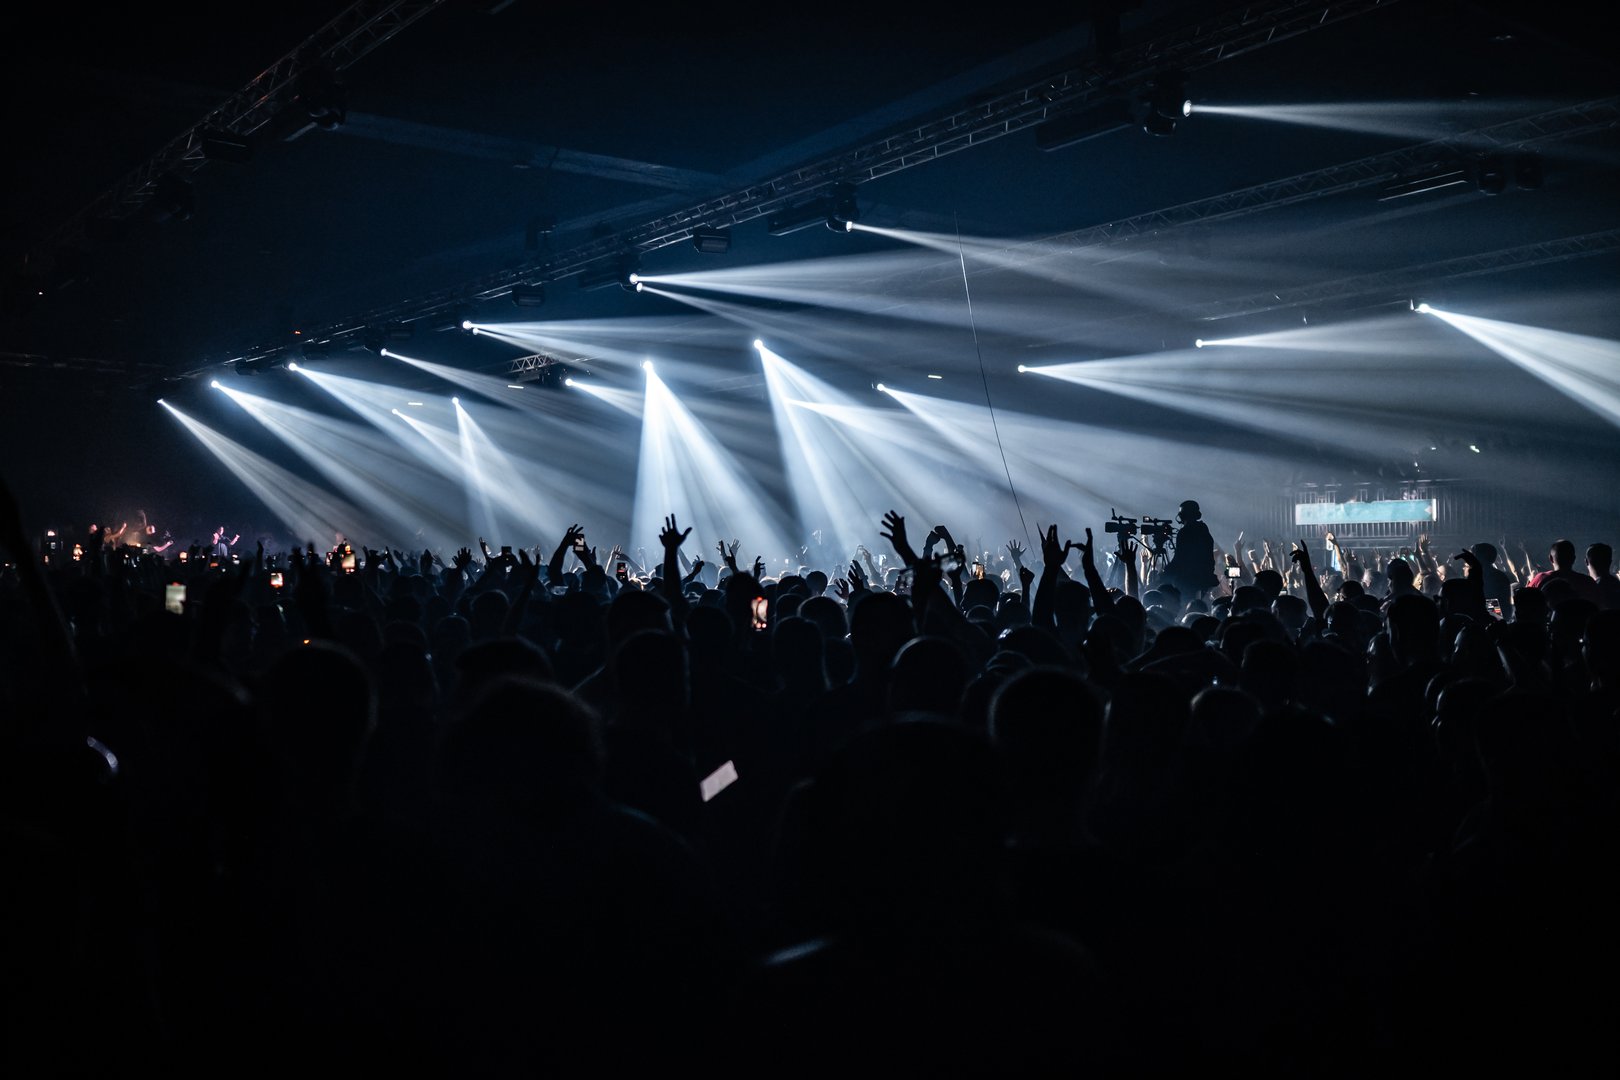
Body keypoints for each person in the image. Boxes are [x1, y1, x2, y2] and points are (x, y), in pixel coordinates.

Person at [1159, 500, 1217, 600]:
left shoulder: (1184, 532)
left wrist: (1164, 573)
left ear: (1183, 515)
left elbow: (1179, 558)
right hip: (1204, 579)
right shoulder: (1203, 529)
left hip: (1188, 582)